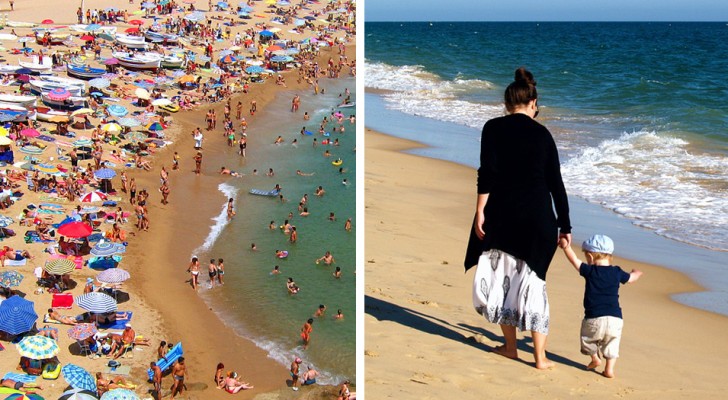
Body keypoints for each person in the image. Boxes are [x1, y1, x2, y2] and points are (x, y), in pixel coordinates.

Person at [465, 67, 571, 370]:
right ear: (533, 102)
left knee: (501, 283)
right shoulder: (544, 134)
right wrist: (565, 225)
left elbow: (487, 173)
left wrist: (479, 211)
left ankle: (511, 347)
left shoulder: (493, 128)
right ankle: (540, 358)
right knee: (534, 284)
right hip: (539, 219)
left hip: (503, 215)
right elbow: (556, 183)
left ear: (507, 103)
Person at [560, 234, 642, 378]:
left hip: (594, 317)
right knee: (612, 344)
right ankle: (609, 369)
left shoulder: (589, 271)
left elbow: (574, 260)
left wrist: (566, 247)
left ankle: (595, 359)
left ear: (591, 257)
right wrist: (636, 273)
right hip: (615, 318)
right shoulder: (617, 272)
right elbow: (631, 279)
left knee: (587, 339)